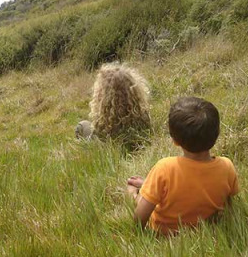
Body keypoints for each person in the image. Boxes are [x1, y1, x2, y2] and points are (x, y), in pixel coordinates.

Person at [126, 97, 239, 235]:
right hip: (204, 230)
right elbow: (229, 205)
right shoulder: (227, 167)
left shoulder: (165, 168)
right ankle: (151, 186)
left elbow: (141, 215)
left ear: (175, 140)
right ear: (217, 135)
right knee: (162, 184)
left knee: (140, 197)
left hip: (164, 232)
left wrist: (137, 234)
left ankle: (137, 192)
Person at [75, 63, 151, 150]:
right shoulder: (142, 115)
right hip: (133, 149)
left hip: (106, 150)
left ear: (103, 95)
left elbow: (96, 136)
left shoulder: (105, 122)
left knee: (82, 125)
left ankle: (82, 154)